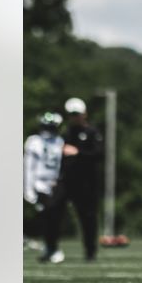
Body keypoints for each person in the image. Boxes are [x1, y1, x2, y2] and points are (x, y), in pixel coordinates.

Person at [59, 97, 103, 261]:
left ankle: (90, 252)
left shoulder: (92, 132)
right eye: (71, 114)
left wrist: (78, 152)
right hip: (68, 181)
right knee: (56, 214)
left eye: (76, 113)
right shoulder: (66, 133)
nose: (74, 117)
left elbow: (99, 154)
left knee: (88, 217)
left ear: (84, 114)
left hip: (88, 183)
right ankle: (52, 249)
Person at [24, 112, 66, 263]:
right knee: (47, 217)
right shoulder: (34, 142)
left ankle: (51, 247)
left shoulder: (60, 142)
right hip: (40, 183)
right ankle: (49, 247)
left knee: (55, 218)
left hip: (55, 184)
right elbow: (29, 166)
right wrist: (28, 188)